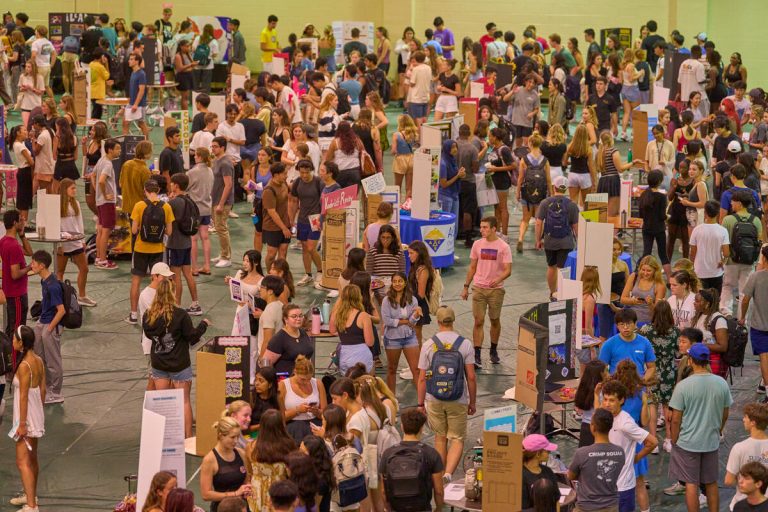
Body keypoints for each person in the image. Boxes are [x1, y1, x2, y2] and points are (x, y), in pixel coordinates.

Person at [669, 343, 733, 512]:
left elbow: (675, 419)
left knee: (691, 484)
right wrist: (718, 430)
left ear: (690, 361)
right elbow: (725, 412)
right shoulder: (721, 383)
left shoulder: (683, 386)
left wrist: (674, 439)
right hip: (710, 441)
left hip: (688, 442)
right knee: (711, 483)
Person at [416, 305, 476, 482]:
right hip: (458, 398)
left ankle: (439, 474)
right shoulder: (465, 344)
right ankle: (449, 474)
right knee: (457, 438)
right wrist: (472, 402)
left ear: (438, 321)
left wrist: (421, 404)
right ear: (453, 320)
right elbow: (471, 377)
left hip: (434, 398)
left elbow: (422, 377)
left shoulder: (428, 345)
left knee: (440, 438)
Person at [144, 279, 209, 437]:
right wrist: (203, 325)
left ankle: (163, 436)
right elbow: (191, 336)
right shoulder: (180, 315)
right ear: (173, 293)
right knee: (184, 401)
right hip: (179, 364)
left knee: (163, 402)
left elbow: (148, 334)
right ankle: (187, 437)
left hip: (159, 364)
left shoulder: (148, 315)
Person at [461, 216, 512, 368]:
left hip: (496, 290)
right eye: (481, 227)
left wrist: (498, 279)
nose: (482, 230)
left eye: (485, 227)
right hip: (479, 288)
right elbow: (472, 267)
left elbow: (508, 270)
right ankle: (477, 355)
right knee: (478, 321)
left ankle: (493, 350)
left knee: (494, 320)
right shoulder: (477, 245)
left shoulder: (503, 247)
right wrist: (465, 286)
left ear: (494, 229)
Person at [601, 380, 657, 512]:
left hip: (623, 487)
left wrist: (636, 458)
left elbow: (653, 442)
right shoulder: (607, 417)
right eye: (605, 399)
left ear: (621, 400)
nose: (607, 404)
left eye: (612, 400)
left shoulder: (625, 423)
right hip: (607, 484)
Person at [127, 180, 174, 324]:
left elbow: (134, 230)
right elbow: (169, 232)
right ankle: (159, 312)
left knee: (136, 281)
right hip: (158, 249)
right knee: (159, 281)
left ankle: (134, 315)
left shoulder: (139, 206)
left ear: (145, 191)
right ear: (158, 190)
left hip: (140, 248)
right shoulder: (166, 207)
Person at [379, 407, 445, 512]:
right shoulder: (431, 453)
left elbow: (383, 490)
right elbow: (439, 491)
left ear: (402, 427)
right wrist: (439, 508)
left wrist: (388, 508)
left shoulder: (388, 454)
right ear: (421, 428)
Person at [9, 325, 45, 512]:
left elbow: (23, 396)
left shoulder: (24, 366)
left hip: (26, 418)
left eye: (14, 338)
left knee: (22, 461)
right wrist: (38, 412)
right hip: (35, 415)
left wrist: (22, 424)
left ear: (21, 343)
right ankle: (31, 495)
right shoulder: (38, 360)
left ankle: (31, 506)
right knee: (32, 458)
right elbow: (43, 390)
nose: (12, 341)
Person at [567, 408, 624, 512]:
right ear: (610, 426)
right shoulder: (620, 452)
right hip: (611, 506)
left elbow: (571, 476)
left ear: (592, 427)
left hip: (586, 507)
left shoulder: (582, 453)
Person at [29, 250, 65, 405]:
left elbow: (61, 310)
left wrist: (49, 329)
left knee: (53, 360)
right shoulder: (44, 281)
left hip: (51, 324)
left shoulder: (53, 286)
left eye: (33, 263)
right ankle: (46, 384)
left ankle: (56, 392)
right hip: (43, 321)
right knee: (39, 355)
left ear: (42, 266)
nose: (31, 265)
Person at [535, 175, 580, 296]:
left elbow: (538, 223)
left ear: (554, 186)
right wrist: (580, 242)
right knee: (563, 269)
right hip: (566, 241)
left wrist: (538, 240)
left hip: (550, 240)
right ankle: (562, 293)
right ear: (566, 189)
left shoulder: (545, 203)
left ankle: (552, 292)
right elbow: (576, 226)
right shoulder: (572, 205)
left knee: (551, 267)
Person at [721, 190, 763, 317]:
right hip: (749, 261)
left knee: (727, 286)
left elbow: (724, 243)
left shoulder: (727, 219)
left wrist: (724, 259)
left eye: (732, 201)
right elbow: (759, 241)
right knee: (744, 291)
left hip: (731, 261)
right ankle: (742, 319)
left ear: (739, 203)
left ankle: (726, 314)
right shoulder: (756, 220)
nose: (731, 204)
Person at [55, 178, 95, 306]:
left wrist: (82, 240)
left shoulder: (76, 203)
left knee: (84, 269)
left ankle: (82, 296)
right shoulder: (57, 205)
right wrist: (59, 244)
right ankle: (59, 299)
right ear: (64, 190)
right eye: (72, 188)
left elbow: (79, 223)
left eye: (75, 188)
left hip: (75, 242)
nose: (75, 190)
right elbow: (55, 225)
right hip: (62, 244)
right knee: (60, 271)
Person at [200, 417, 251, 512]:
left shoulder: (241, 453)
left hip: (242, 507)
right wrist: (235, 494)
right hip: (222, 508)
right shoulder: (209, 460)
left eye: (238, 437)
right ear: (221, 436)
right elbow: (205, 495)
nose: (236, 441)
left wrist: (247, 488)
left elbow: (247, 480)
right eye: (232, 437)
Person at [167, 174, 201, 313]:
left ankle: (177, 307)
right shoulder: (189, 200)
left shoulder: (173, 203)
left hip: (175, 243)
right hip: (187, 242)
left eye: (172, 183)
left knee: (175, 277)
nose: (170, 185)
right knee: (188, 273)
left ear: (176, 185)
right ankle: (195, 304)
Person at [724, 403, 768, 509]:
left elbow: (729, 480)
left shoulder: (739, 448)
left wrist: (747, 482)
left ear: (753, 422)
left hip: (744, 504)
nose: (743, 420)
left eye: (745, 417)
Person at [599, 308, 657, 382]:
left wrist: (642, 381)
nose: (625, 327)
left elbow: (651, 367)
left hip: (638, 388)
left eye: (629, 323)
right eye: (622, 324)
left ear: (635, 324)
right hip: (616, 389)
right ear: (617, 326)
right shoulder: (608, 344)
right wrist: (611, 382)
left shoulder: (645, 342)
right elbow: (602, 368)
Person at [278, 354, 326, 443]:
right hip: (293, 427)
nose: (306, 382)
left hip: (314, 426)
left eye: (309, 379)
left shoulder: (318, 383)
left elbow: (325, 414)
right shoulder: (283, 385)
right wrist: (297, 410)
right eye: (303, 379)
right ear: (295, 372)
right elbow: (280, 417)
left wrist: (316, 411)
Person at [0, 210, 33, 339]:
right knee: (18, 330)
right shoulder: (13, 246)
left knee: (11, 326)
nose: (23, 221)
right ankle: (15, 358)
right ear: (15, 223)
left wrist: (22, 234)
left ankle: (9, 356)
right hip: (17, 294)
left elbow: (29, 252)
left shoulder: (4, 241)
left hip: (9, 291)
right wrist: (30, 267)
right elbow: (15, 274)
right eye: (21, 220)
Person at [291, 160, 323, 287]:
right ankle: (308, 274)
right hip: (302, 219)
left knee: (311, 248)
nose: (304, 175)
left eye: (307, 172)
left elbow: (325, 202)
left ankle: (320, 271)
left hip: (315, 219)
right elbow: (294, 202)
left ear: (311, 170)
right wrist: (291, 220)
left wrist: (322, 218)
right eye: (302, 172)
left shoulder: (318, 182)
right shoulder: (297, 182)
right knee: (305, 248)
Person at [330, 284, 375, 376]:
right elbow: (370, 342)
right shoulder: (363, 316)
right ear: (359, 297)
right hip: (361, 355)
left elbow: (332, 330)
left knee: (348, 385)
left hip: (344, 355)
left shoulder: (336, 314)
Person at [742, 246, 768, 397]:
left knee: (764, 357)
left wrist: (742, 317)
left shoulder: (756, 277)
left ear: (763, 258)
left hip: (760, 325)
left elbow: (745, 300)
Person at [264, 305, 315, 376]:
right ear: (286, 319)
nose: (298, 319)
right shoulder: (279, 338)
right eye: (294, 316)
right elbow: (265, 365)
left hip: (304, 377)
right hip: (286, 380)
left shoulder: (303, 332)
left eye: (300, 316)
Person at [94, 139, 120, 270]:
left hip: (99, 201)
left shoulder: (101, 160)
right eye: (117, 149)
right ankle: (103, 260)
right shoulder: (108, 164)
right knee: (106, 231)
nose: (119, 151)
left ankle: (99, 257)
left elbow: (92, 176)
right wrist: (105, 195)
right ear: (110, 150)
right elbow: (101, 180)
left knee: (100, 230)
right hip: (107, 202)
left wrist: (98, 193)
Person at [210, 136, 235, 268]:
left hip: (222, 201)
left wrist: (221, 204)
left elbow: (228, 185)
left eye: (215, 146)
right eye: (212, 146)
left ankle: (226, 257)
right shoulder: (216, 160)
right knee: (219, 228)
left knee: (221, 228)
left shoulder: (225, 163)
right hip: (215, 199)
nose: (212, 149)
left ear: (222, 148)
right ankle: (223, 253)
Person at [262, 163, 291, 271]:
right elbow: (272, 212)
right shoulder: (269, 190)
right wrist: (283, 228)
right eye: (284, 174)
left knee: (283, 252)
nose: (286, 176)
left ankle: (280, 275)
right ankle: (270, 273)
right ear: (276, 175)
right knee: (271, 254)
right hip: (272, 227)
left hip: (285, 223)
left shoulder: (284, 183)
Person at [520, 434, 560, 509]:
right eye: (547, 451)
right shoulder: (520, 476)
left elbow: (556, 500)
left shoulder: (548, 471)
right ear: (538, 454)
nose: (549, 453)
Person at [574, 360, 608, 446]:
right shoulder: (601, 392)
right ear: (601, 374)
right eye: (606, 371)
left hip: (585, 426)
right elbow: (600, 412)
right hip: (598, 428)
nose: (608, 374)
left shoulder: (584, 387)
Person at [255, 275, 285, 362]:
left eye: (262, 287)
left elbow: (268, 340)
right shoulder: (280, 305)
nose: (260, 289)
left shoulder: (269, 311)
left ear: (270, 291)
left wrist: (261, 360)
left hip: (268, 357)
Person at [123, 53, 149, 139]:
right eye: (129, 59)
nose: (129, 61)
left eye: (131, 59)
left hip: (139, 104)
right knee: (125, 122)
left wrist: (136, 104)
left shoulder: (141, 74)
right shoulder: (133, 73)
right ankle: (125, 142)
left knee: (141, 124)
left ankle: (147, 143)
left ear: (137, 61)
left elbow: (141, 90)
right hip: (132, 102)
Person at [406, 51, 432, 129]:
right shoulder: (428, 68)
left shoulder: (416, 69)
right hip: (425, 96)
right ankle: (424, 136)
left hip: (416, 98)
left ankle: (420, 138)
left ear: (415, 59)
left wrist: (409, 75)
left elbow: (412, 83)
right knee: (424, 118)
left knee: (418, 120)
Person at [250, 367, 279, 433]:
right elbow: (245, 428)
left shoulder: (278, 397)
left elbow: (282, 422)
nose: (256, 383)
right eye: (256, 380)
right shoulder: (251, 397)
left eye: (261, 381)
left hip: (272, 434)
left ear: (270, 385)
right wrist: (262, 426)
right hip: (253, 434)